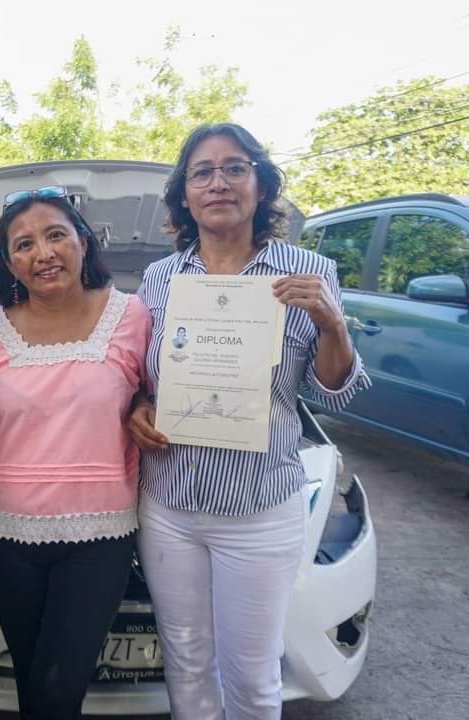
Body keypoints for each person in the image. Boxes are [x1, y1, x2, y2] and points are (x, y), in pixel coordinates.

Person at [128, 123, 371, 720]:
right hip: (170, 506)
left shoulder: (308, 273)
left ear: (261, 186)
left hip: (260, 511)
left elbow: (331, 394)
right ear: (184, 195)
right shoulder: (161, 280)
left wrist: (332, 325)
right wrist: (138, 408)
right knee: (186, 662)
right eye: (202, 172)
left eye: (235, 168)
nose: (219, 183)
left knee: (252, 673)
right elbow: (143, 378)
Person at [0, 186, 151, 719]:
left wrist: (146, 403)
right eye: (23, 244)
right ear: (8, 262)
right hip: (4, 535)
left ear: (84, 243)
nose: (42, 253)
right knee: (33, 678)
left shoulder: (132, 316)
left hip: (100, 535)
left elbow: (160, 387)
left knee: (57, 687)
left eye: (55, 236)